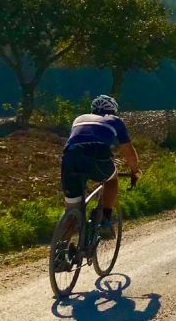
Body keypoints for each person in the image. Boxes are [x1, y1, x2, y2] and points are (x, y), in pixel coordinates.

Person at [61, 94, 142, 238]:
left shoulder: (79, 119)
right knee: (112, 179)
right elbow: (128, 151)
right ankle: (105, 220)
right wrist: (135, 171)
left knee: (72, 209)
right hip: (96, 154)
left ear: (92, 110)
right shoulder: (115, 121)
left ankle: (60, 252)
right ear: (113, 111)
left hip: (70, 158)